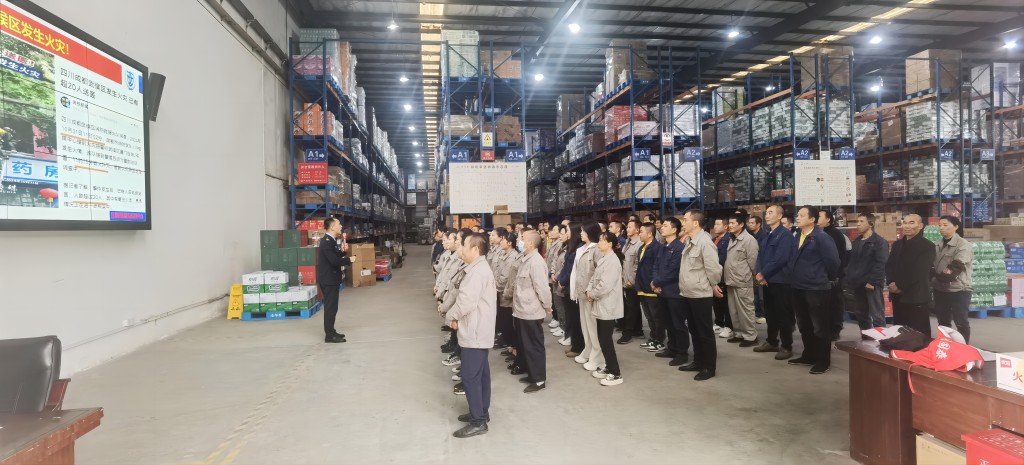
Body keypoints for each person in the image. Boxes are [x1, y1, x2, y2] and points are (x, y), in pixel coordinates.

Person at [445, 233, 496, 438]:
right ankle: (481, 412)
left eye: (464, 245)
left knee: (470, 376)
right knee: (481, 374)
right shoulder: (477, 269)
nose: (461, 248)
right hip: (478, 329)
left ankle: (478, 422)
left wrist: (451, 316)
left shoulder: (477, 273)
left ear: (475, 249)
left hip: (475, 332)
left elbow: (465, 302)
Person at [787, 206, 841, 375]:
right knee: (804, 325)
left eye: (802, 215)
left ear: (812, 219)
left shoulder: (821, 237)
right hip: (798, 286)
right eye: (798, 215)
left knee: (820, 327)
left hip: (816, 288)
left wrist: (826, 278)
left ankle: (823, 361)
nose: (798, 217)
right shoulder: (798, 236)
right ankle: (809, 355)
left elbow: (833, 261)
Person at [677, 210, 723, 381]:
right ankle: (698, 361)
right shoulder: (689, 240)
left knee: (704, 332)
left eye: (685, 220)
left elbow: (714, 269)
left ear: (695, 223)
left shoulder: (705, 242)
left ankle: (709, 367)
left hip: (700, 294)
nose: (683, 222)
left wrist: (713, 284)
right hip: (688, 292)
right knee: (694, 330)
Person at [510, 231, 553, 393]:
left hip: (531, 311)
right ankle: (532, 374)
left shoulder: (536, 262)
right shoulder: (525, 259)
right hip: (521, 310)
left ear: (530, 243)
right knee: (525, 345)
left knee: (534, 346)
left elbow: (542, 288)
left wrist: (547, 306)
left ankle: (539, 379)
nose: (518, 241)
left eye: (522, 238)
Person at [753, 205, 797, 360]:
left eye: (771, 213)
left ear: (779, 216)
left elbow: (780, 259)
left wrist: (763, 273)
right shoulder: (768, 235)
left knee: (783, 314)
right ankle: (772, 342)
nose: (767, 216)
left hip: (781, 280)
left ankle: (786, 346)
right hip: (768, 280)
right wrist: (761, 273)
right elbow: (761, 256)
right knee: (770, 313)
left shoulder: (785, 235)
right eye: (767, 213)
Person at [886, 214, 936, 338]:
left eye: (912, 222)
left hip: (915, 296)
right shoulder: (897, 245)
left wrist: (899, 285)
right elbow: (889, 265)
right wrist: (890, 282)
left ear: (920, 226)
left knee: (918, 334)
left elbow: (920, 271)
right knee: (899, 332)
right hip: (897, 296)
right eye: (905, 222)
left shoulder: (927, 246)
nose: (907, 226)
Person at [587, 231, 626, 386]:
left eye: (602, 240)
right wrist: (589, 291)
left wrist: (592, 294)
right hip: (601, 303)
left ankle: (616, 373)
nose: (599, 242)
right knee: (603, 339)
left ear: (610, 244)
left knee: (606, 340)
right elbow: (594, 278)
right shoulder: (604, 259)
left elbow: (605, 285)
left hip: (607, 305)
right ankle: (609, 367)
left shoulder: (613, 261)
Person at [652, 217, 690, 367]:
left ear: (674, 230)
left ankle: (682, 353)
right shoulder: (663, 247)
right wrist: (655, 282)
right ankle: (672, 348)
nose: (662, 227)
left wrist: (657, 282)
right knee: (667, 322)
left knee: (678, 324)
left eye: (665, 225)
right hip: (661, 291)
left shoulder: (679, 248)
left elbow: (674, 271)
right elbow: (656, 266)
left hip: (674, 292)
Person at [843, 213, 889, 331]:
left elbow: (881, 264)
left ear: (871, 224)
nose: (858, 224)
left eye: (862, 221)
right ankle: (866, 337)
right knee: (861, 314)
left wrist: (873, 282)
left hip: (872, 285)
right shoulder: (857, 241)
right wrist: (849, 277)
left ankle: (880, 339)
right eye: (857, 222)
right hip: (858, 284)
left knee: (877, 315)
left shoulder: (879, 242)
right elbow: (852, 262)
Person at [932, 215, 974, 343]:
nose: (941, 228)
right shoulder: (937, 244)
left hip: (959, 289)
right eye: (940, 225)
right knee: (943, 322)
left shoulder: (963, 245)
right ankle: (945, 347)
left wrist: (939, 278)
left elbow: (956, 266)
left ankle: (963, 348)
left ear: (956, 227)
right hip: (940, 289)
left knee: (961, 322)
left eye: (945, 225)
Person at [317, 216, 358, 343]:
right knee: (330, 308)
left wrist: (342, 252)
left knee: (333, 307)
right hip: (328, 280)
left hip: (331, 279)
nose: (341, 226)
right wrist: (349, 260)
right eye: (339, 224)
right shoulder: (326, 242)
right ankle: (329, 335)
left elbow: (334, 256)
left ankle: (332, 331)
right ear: (332, 227)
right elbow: (334, 261)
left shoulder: (331, 240)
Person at [724, 213, 760, 347]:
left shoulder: (749, 240)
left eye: (733, 223)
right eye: (729, 223)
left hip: (743, 280)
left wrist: (754, 277)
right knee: (734, 310)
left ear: (741, 225)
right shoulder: (732, 238)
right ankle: (739, 333)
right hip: (731, 279)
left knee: (746, 309)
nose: (730, 225)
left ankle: (750, 336)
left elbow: (753, 262)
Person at [573, 222, 604, 372]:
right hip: (581, 293)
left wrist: (592, 291)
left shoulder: (597, 249)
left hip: (591, 294)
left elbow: (599, 273)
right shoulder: (581, 248)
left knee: (593, 327)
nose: (581, 233)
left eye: (583, 231)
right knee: (585, 325)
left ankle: (597, 357)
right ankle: (588, 349)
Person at [820, 209, 851, 340]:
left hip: (834, 277)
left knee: (834, 303)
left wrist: (835, 275)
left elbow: (837, 258)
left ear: (828, 219)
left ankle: (835, 329)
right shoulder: (820, 233)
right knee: (825, 305)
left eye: (820, 216)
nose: (816, 219)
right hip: (822, 277)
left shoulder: (835, 235)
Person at [636, 222, 667, 353]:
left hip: (652, 287)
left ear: (650, 234)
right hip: (642, 286)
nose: (639, 234)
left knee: (657, 316)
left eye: (641, 231)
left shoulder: (658, 248)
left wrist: (656, 283)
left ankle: (659, 340)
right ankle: (653, 338)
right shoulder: (641, 248)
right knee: (649, 316)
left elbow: (659, 268)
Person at [495, 232, 522, 370]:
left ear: (510, 243)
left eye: (503, 240)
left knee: (508, 323)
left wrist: (496, 287)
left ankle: (515, 349)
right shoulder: (504, 254)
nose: (501, 242)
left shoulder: (513, 257)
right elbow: (498, 272)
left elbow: (506, 277)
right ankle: (511, 347)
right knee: (504, 322)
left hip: (506, 295)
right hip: (501, 292)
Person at [557, 224, 585, 357]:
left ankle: (578, 347)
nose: (567, 233)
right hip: (566, 287)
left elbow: (571, 270)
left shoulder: (578, 249)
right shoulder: (571, 247)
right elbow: (565, 267)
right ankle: (575, 344)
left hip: (571, 288)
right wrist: (560, 279)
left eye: (568, 230)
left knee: (575, 319)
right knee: (571, 318)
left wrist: (562, 281)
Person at [618, 220, 645, 344]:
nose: (627, 229)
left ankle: (627, 333)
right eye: (627, 227)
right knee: (634, 307)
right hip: (626, 279)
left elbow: (637, 265)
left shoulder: (639, 244)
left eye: (630, 227)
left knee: (631, 308)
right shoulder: (627, 242)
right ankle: (638, 330)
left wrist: (632, 280)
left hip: (632, 281)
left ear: (637, 230)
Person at [710, 217, 733, 338]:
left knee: (725, 303)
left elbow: (722, 258)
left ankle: (729, 326)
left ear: (725, 227)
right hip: (714, 276)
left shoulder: (728, 239)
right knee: (716, 302)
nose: (715, 226)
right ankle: (719, 322)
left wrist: (709, 261)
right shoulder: (714, 240)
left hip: (724, 275)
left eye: (718, 224)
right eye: (715, 224)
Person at [545, 225, 565, 337]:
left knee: (559, 303)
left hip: (558, 278)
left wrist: (555, 275)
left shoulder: (561, 245)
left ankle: (562, 325)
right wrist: (551, 272)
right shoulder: (553, 243)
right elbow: (552, 260)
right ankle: (559, 321)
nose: (552, 232)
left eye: (555, 230)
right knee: (556, 302)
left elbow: (560, 263)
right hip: (552, 275)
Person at [747, 215, 768, 324]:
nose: (749, 225)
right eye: (749, 223)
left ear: (758, 224)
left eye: (752, 223)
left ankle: (764, 314)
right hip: (752, 267)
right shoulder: (750, 235)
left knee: (761, 294)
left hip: (760, 267)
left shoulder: (764, 236)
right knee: (754, 293)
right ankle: (758, 313)